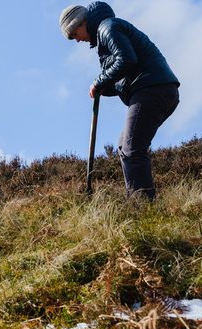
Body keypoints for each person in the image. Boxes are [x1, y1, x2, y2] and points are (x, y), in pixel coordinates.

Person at [60, 1, 180, 200]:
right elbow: (126, 74)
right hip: (154, 88)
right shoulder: (105, 34)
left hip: (152, 88)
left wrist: (99, 81)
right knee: (125, 146)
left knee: (132, 148)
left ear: (82, 22)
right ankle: (137, 200)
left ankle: (142, 206)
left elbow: (127, 59)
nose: (77, 40)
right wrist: (104, 88)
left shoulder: (108, 27)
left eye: (75, 34)